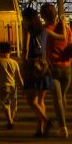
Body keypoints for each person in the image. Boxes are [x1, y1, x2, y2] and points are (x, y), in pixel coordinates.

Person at [41, 2, 72, 138]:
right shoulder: (66, 28)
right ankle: (62, 120)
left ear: (43, 16)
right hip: (67, 67)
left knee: (57, 100)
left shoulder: (45, 31)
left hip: (53, 67)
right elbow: (70, 43)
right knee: (63, 96)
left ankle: (63, 127)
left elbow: (43, 51)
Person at [22, 8, 52, 136]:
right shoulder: (44, 30)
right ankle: (40, 129)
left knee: (31, 100)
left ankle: (46, 121)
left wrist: (24, 65)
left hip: (32, 65)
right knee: (40, 100)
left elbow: (25, 49)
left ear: (27, 19)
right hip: (44, 65)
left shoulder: (28, 30)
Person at [0, 41, 25, 129]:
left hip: (3, 86)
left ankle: (9, 121)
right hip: (13, 86)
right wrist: (23, 87)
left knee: (6, 104)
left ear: (0, 51)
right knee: (14, 104)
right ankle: (12, 119)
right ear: (10, 51)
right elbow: (19, 77)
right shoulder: (14, 62)